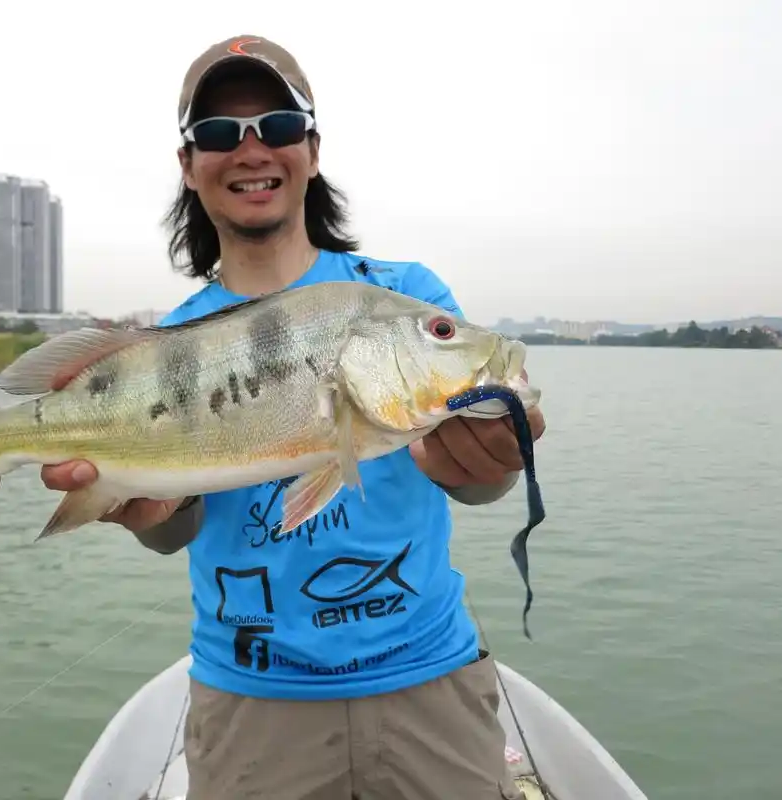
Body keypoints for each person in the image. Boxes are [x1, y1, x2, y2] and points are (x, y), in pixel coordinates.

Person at [43, 35, 546, 800]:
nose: (250, 150)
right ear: (188, 165)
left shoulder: (403, 293)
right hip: (250, 698)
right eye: (217, 134)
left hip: (429, 678)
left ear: (310, 149)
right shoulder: (172, 338)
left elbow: (475, 486)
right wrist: (140, 510)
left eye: (276, 126)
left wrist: (492, 460)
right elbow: (172, 526)